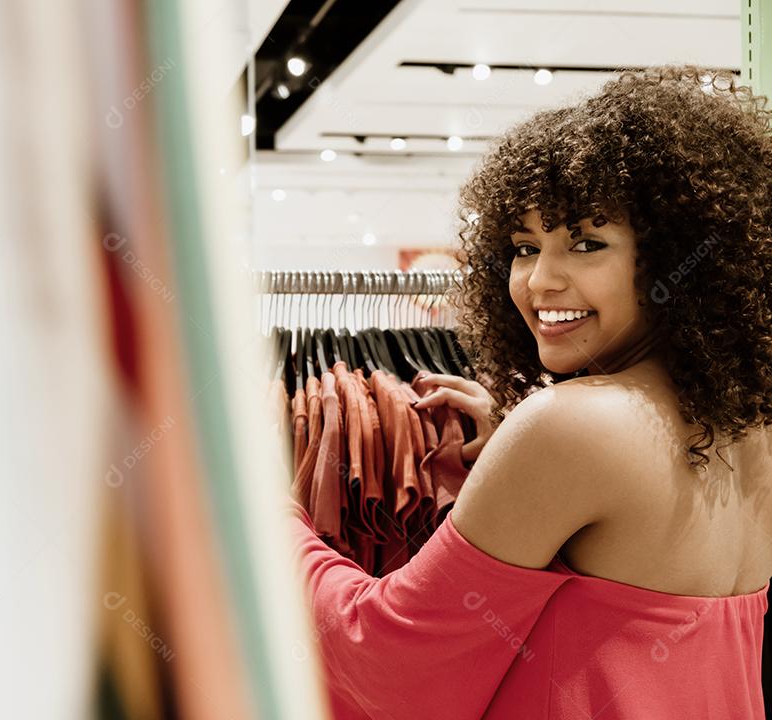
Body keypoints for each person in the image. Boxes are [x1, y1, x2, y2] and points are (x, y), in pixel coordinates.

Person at [290, 64, 772, 719]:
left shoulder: (570, 427)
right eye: (523, 247)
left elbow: (388, 661)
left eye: (586, 243)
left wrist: (270, 521)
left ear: (676, 260)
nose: (539, 281)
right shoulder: (748, 424)